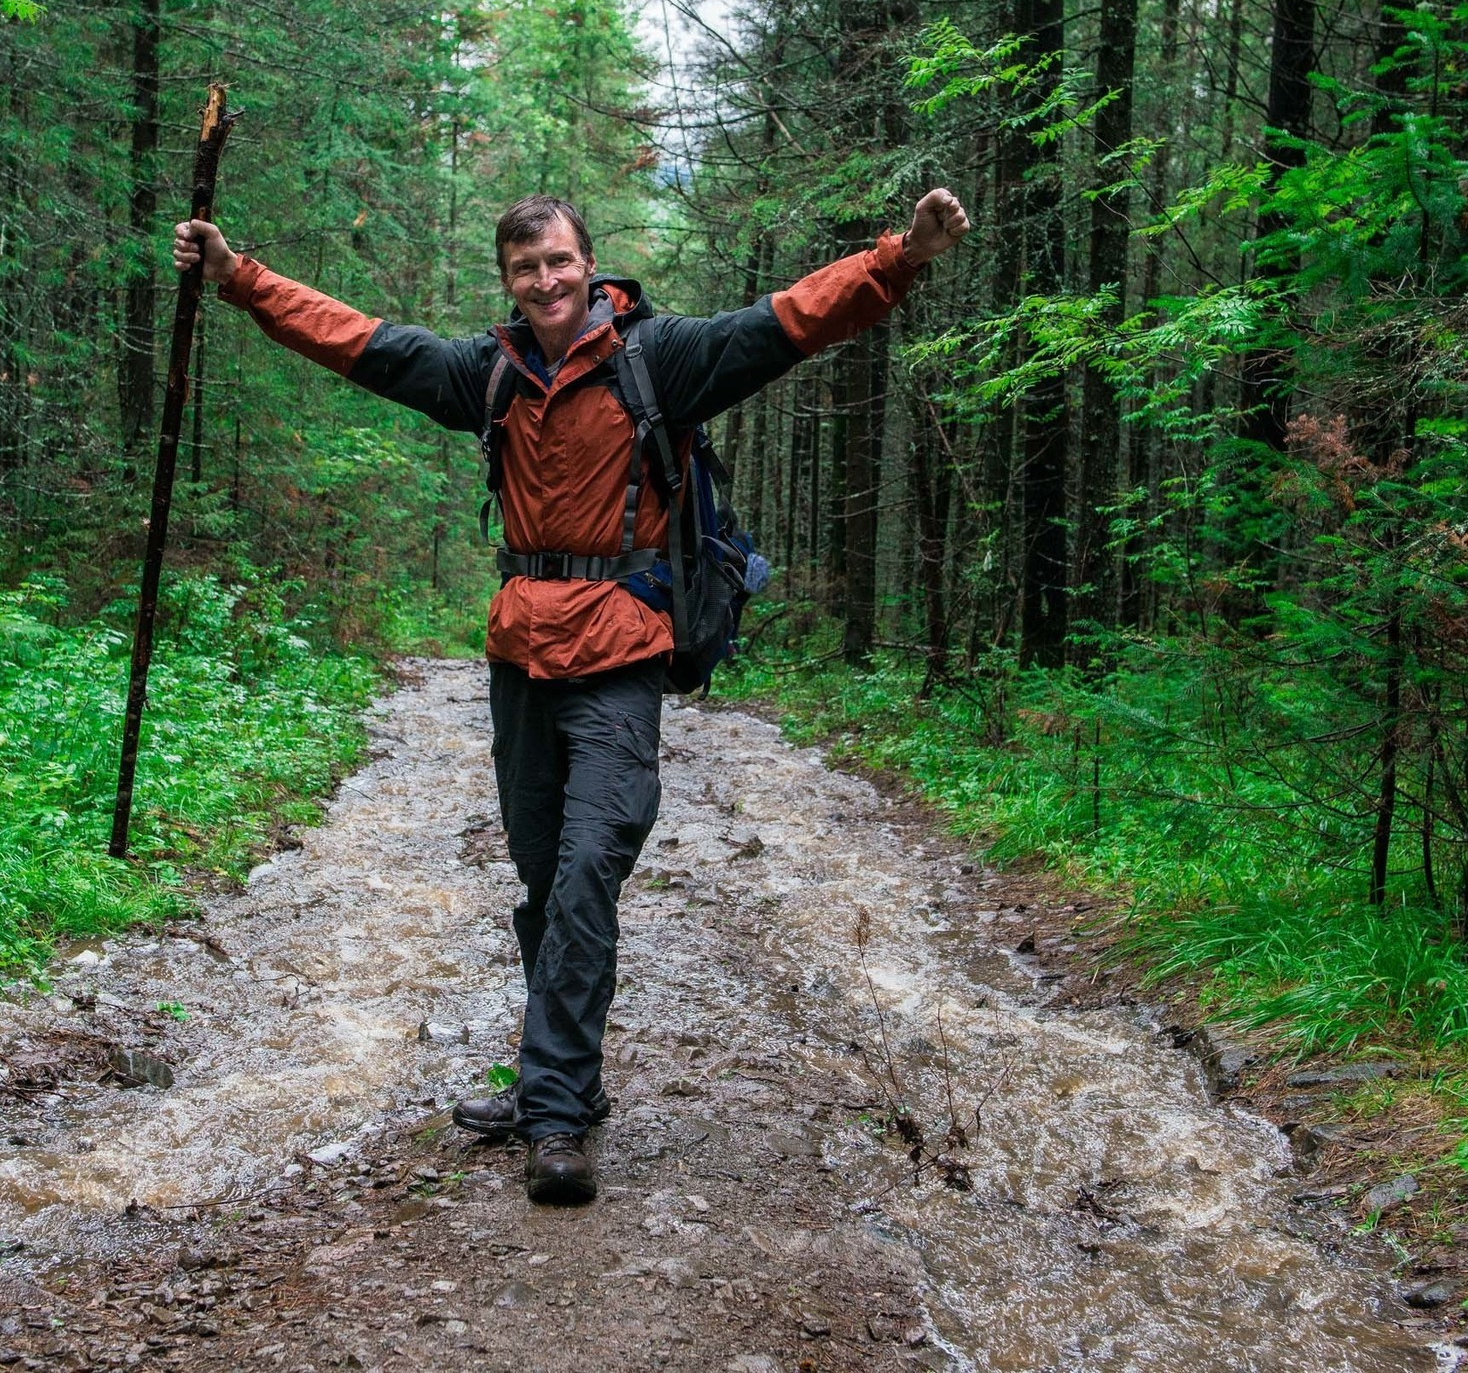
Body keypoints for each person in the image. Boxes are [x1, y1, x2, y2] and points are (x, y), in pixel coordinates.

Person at [172, 187, 970, 1205]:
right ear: (507, 281)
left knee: (592, 863)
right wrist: (242, 281)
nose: (544, 282)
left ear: (589, 267)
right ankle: (562, 1079)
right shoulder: (489, 373)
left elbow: (790, 321)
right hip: (521, 655)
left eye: (558, 263)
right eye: (524, 269)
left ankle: (552, 1112)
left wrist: (900, 257)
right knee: (547, 877)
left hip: (623, 652)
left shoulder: (660, 359)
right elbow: (361, 343)